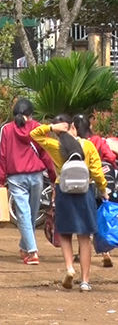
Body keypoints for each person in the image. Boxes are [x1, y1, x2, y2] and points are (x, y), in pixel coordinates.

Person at [31, 115, 109, 292]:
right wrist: (103, 190)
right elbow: (97, 172)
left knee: (65, 234)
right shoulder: (88, 146)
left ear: (69, 126)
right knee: (84, 237)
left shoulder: (56, 146)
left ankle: (69, 268)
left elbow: (34, 134)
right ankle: (85, 281)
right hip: (85, 192)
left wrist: (52, 127)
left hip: (64, 192)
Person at [0, 99, 57, 265]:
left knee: (24, 213)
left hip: (16, 177)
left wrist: (0, 180)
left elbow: (2, 155)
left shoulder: (6, 129)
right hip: (37, 175)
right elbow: (45, 154)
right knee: (30, 213)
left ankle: (31, 250)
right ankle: (28, 249)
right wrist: (53, 177)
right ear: (31, 114)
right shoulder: (38, 127)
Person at [73, 114, 116, 268]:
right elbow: (110, 157)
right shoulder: (98, 140)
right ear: (89, 127)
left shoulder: (75, 143)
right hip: (100, 183)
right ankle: (106, 253)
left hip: (83, 185)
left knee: (83, 219)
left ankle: (81, 252)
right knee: (100, 216)